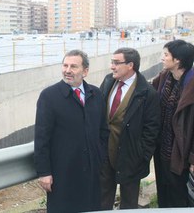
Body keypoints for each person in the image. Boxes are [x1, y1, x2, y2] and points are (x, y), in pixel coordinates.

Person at [34, 49, 109, 212]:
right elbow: (41, 138)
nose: (67, 70)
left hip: (91, 171)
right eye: (65, 65)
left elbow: (104, 131)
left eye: (74, 66)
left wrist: (99, 157)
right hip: (63, 172)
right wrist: (44, 172)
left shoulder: (95, 94)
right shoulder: (49, 96)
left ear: (85, 71)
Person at [152, 39, 194, 207]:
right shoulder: (165, 77)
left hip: (180, 151)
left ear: (177, 60)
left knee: (177, 193)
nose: (162, 58)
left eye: (165, 55)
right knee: (163, 189)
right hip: (161, 148)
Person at [99, 47, 161, 209]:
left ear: (130, 65)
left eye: (116, 63)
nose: (112, 66)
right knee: (102, 200)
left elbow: (152, 130)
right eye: (112, 62)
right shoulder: (108, 81)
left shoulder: (147, 93)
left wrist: (142, 156)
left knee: (129, 203)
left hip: (131, 156)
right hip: (105, 154)